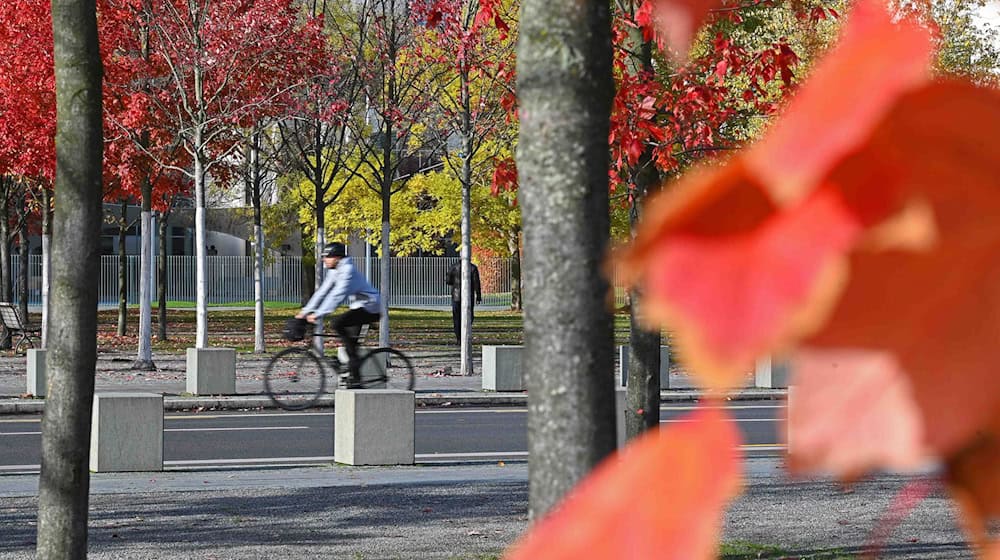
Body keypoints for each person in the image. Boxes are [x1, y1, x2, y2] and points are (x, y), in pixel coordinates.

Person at [296, 242, 381, 387]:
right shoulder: (335, 270)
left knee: (337, 324)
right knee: (350, 344)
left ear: (337, 257)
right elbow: (322, 292)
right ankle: (356, 378)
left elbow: (337, 296)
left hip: (371, 307)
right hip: (360, 307)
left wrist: (318, 314)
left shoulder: (347, 271)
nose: (324, 260)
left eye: (327, 257)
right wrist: (304, 312)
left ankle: (354, 369)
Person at [445, 260, 482, 344]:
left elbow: (448, 280)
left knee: (457, 317)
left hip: (456, 296)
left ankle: (459, 337)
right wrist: (478, 296)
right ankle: (464, 335)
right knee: (469, 316)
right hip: (468, 296)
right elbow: (476, 283)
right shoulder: (472, 268)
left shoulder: (453, 267)